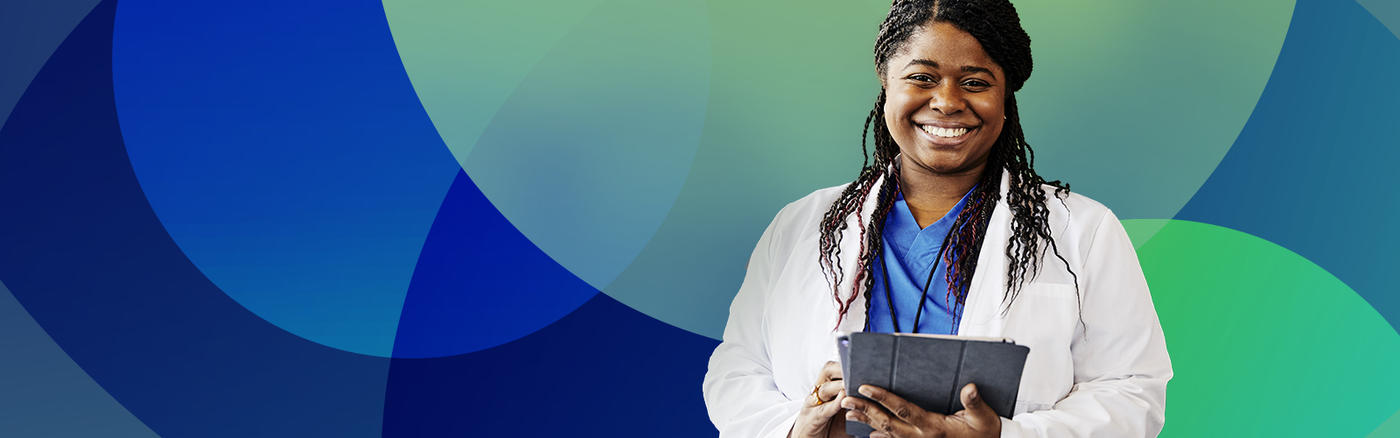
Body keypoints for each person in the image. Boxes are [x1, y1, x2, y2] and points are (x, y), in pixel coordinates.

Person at [700, 0, 1172, 437]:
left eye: (975, 82)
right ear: (886, 83)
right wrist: (794, 427)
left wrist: (1004, 435)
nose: (946, 102)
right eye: (922, 78)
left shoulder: (1082, 232)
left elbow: (1133, 391)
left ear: (1005, 97)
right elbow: (738, 370)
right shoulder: (802, 224)